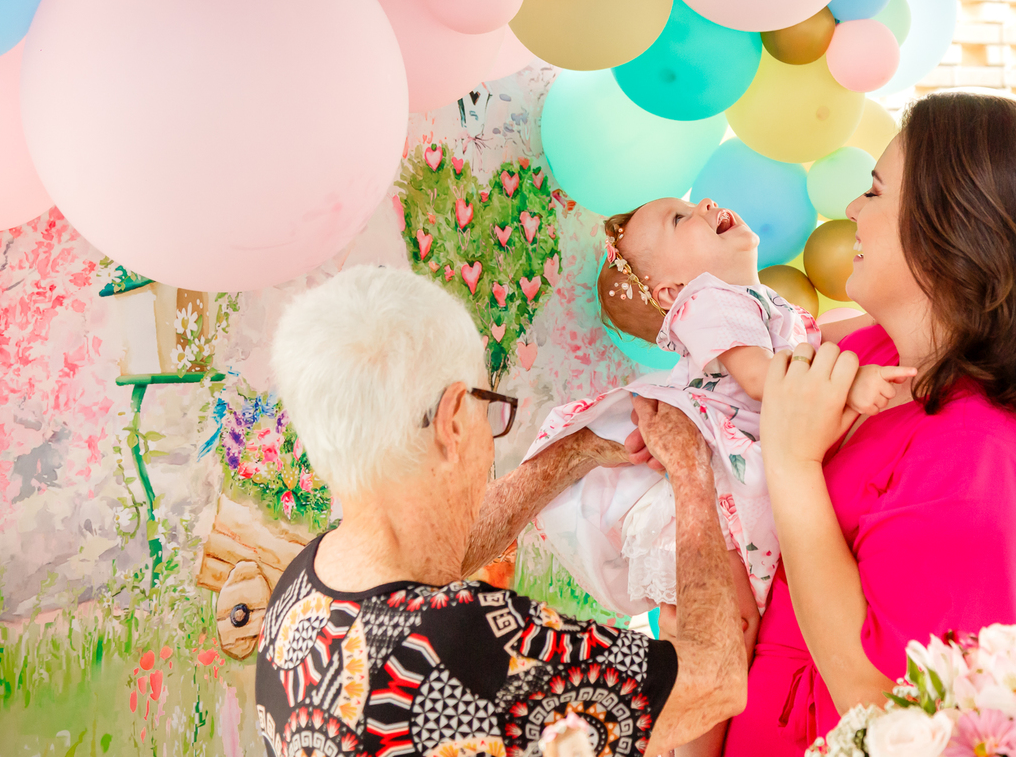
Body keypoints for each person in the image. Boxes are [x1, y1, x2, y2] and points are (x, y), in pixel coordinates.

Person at [667, 91, 1016, 756]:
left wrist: (794, 464)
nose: (852, 210)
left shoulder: (983, 456)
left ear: (952, 228)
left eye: (874, 191)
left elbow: (889, 707)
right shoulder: (871, 355)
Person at [254, 265, 749, 757]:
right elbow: (715, 679)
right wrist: (690, 469)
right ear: (452, 421)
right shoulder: (468, 641)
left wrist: (576, 450)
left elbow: (439, 551)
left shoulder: (300, 591)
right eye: (485, 407)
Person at [524, 197, 913, 630]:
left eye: (689, 205)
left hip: (743, 464)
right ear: (673, 292)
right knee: (731, 620)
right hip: (717, 480)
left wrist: (885, 318)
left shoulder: (756, 301)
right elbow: (761, 380)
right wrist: (848, 383)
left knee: (735, 617)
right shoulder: (708, 301)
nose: (705, 203)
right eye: (680, 218)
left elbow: (814, 339)